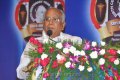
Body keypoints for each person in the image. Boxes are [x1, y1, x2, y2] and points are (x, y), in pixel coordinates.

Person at [16, 7, 82, 80]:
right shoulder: (33, 44)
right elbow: (20, 73)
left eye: (55, 19)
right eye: (47, 19)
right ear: (43, 24)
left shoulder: (74, 41)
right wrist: (31, 66)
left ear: (62, 25)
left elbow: (83, 68)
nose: (50, 22)